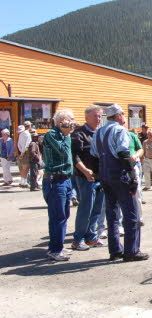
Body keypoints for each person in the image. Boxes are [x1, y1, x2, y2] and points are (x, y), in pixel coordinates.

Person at [90, 104, 148, 262]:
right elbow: (123, 152)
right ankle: (132, 250)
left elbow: (94, 154)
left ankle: (115, 250)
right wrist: (131, 175)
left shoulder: (99, 132)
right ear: (118, 116)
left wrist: (98, 174)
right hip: (119, 173)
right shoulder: (120, 130)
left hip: (105, 174)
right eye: (123, 114)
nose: (124, 117)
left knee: (112, 213)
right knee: (131, 213)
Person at [70, 105, 105, 251]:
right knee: (86, 208)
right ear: (87, 117)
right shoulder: (79, 134)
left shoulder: (100, 133)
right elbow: (74, 155)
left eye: (100, 116)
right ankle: (78, 239)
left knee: (97, 208)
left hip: (100, 177)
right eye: (95, 116)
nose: (98, 119)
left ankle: (91, 237)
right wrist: (85, 171)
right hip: (85, 178)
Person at [42, 109, 76, 261]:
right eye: (71, 120)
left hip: (66, 179)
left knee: (64, 215)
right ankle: (55, 250)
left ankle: (57, 246)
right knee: (58, 216)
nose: (73, 123)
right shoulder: (52, 134)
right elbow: (63, 151)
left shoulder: (63, 135)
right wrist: (67, 134)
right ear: (62, 121)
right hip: (56, 179)